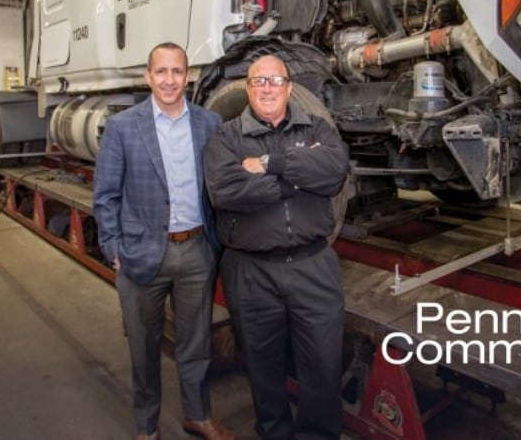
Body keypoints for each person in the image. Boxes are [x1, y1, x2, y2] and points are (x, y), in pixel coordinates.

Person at [93, 42, 233, 440]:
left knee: (196, 344)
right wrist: (113, 248)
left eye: (177, 72)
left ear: (187, 76)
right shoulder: (123, 127)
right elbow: (105, 195)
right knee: (143, 348)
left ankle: (198, 415)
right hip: (139, 254)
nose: (170, 80)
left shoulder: (209, 124)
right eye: (162, 72)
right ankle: (146, 426)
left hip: (196, 251)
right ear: (148, 77)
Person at [204, 55, 349, 439]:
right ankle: (275, 433)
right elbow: (226, 192)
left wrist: (270, 163)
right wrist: (296, 181)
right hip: (251, 271)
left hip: (313, 265)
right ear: (247, 89)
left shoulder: (316, 126)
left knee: (322, 365)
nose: (267, 88)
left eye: (275, 80)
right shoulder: (226, 137)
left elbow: (334, 173)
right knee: (261, 366)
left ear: (288, 86)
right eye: (258, 81)